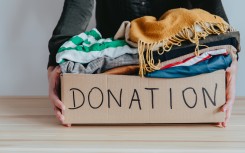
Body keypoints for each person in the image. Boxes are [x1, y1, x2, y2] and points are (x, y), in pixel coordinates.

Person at [48, 0, 237, 127]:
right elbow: (79, 6)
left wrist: (230, 62)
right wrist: (56, 62)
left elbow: (218, 24)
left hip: (186, 55)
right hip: (111, 74)